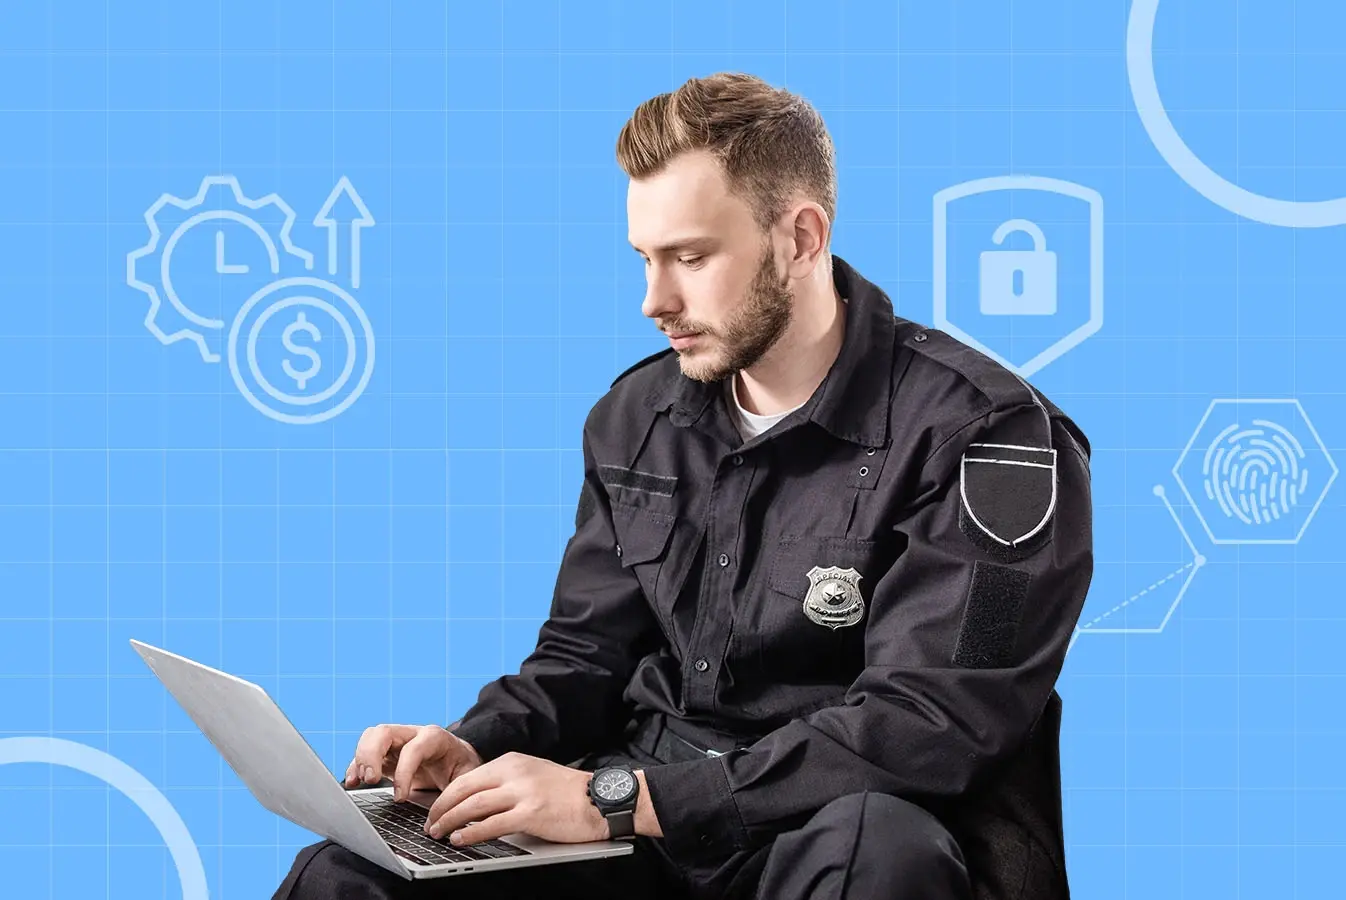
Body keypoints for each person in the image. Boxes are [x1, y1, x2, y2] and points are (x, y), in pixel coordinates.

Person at [274, 71, 1093, 900]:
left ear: (802, 238)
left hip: (840, 831)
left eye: (691, 258)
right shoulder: (635, 418)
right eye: (644, 258)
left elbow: (931, 725)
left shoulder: (991, 437)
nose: (654, 300)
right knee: (342, 874)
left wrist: (618, 800)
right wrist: (475, 747)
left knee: (871, 850)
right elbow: (584, 656)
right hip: (643, 830)